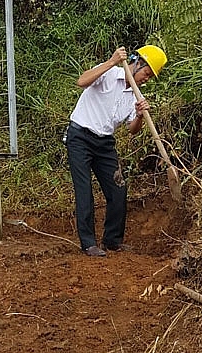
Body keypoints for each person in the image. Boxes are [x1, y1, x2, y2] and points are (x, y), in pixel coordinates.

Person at [65, 45, 168, 257]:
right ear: (137, 63)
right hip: (80, 137)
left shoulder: (134, 96)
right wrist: (111, 61)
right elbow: (81, 81)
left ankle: (112, 240)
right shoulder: (109, 73)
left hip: (104, 143)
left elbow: (132, 130)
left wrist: (139, 115)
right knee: (84, 190)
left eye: (150, 77)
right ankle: (88, 243)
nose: (146, 79)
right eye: (146, 73)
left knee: (118, 189)